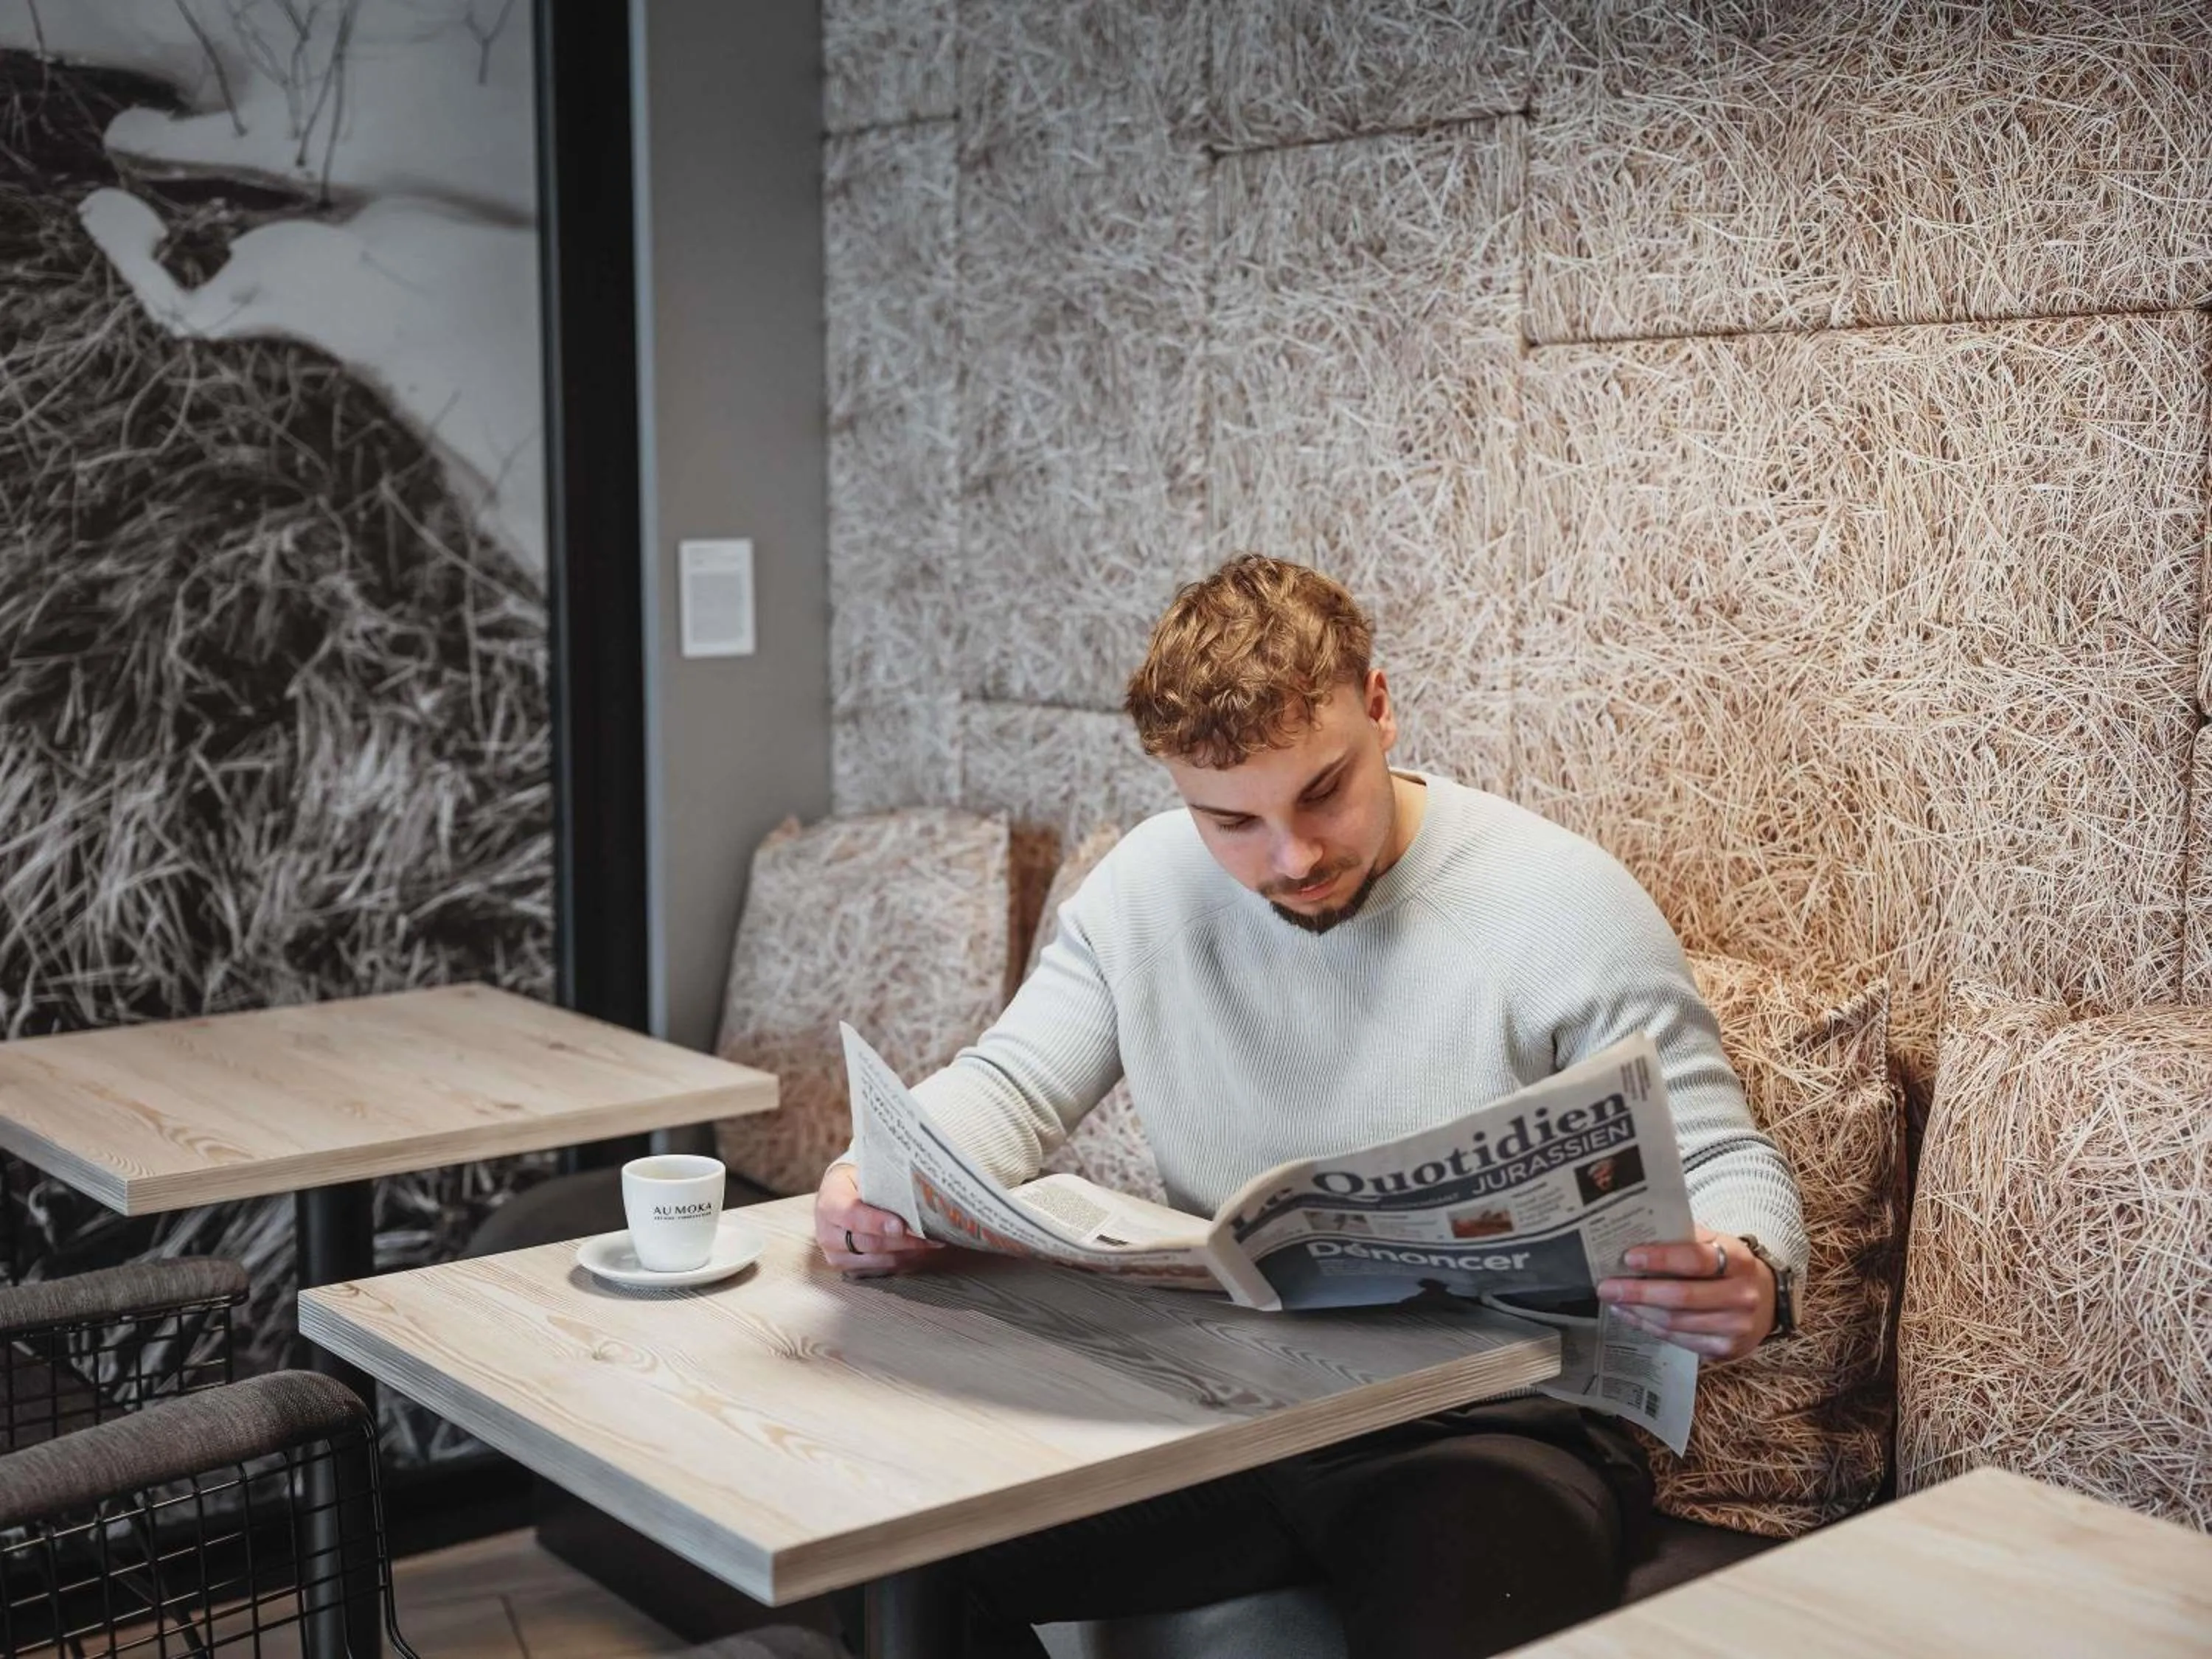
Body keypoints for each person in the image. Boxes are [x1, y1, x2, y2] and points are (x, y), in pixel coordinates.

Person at [813, 555, 1808, 1658]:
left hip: (1492, 1430)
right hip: (1224, 1406)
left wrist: (1749, 1266)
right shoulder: (1141, 892)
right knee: (888, 1560)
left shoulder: (1560, 901)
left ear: (1379, 708)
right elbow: (1009, 1084)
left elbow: (1725, 1156)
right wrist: (879, 1177)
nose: (1291, 857)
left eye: (1323, 790)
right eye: (1230, 820)